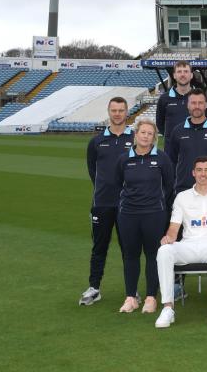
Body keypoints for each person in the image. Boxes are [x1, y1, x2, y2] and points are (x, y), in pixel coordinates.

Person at [154, 156, 207, 329]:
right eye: (199, 170)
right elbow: (174, 229)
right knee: (164, 251)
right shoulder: (182, 197)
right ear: (193, 173)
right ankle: (168, 308)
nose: (203, 174)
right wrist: (168, 238)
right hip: (188, 245)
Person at [115, 120, 175, 314]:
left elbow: (169, 185)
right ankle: (130, 297)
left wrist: (157, 204)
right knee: (130, 255)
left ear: (154, 137)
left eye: (150, 133)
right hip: (128, 215)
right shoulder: (124, 159)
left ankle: (151, 297)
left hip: (153, 214)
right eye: (143, 132)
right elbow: (118, 185)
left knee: (152, 255)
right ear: (136, 134)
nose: (146, 136)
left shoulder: (162, 158)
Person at [80, 97, 134, 306]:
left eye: (121, 110)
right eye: (114, 110)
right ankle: (94, 288)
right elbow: (93, 170)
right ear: (109, 112)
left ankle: (131, 292)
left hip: (128, 204)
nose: (118, 114)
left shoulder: (135, 139)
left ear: (127, 112)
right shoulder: (96, 141)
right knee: (99, 247)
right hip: (102, 203)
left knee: (128, 248)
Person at [165, 88, 207, 193]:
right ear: (188, 105)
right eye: (193, 103)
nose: (197, 106)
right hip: (183, 189)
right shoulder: (178, 131)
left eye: (200, 103)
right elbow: (172, 161)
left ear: (205, 105)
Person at [156, 60, 207, 140]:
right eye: (179, 72)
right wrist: (172, 138)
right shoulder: (164, 99)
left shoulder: (201, 97)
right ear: (174, 75)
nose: (182, 74)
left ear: (191, 75)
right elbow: (160, 124)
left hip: (195, 146)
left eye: (186, 71)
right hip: (172, 149)